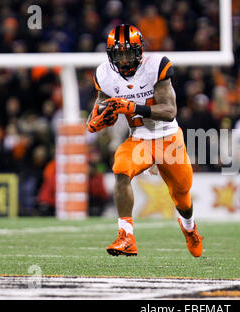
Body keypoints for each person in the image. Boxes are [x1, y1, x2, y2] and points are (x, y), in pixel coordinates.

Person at [87, 24, 203, 257]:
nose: (125, 58)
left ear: (139, 51)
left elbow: (169, 110)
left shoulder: (156, 66)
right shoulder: (104, 75)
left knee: (182, 194)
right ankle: (126, 236)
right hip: (139, 139)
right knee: (120, 170)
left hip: (167, 137)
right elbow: (96, 113)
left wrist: (131, 107)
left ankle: (189, 228)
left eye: (129, 52)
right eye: (119, 53)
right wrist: (97, 121)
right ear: (111, 55)